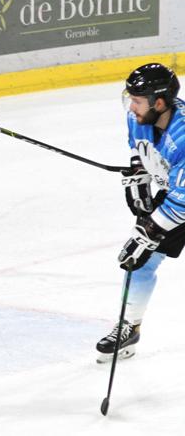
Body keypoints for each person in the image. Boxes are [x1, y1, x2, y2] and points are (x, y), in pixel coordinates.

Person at [97, 63, 185, 362]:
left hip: (181, 199)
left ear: (159, 103)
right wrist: (139, 171)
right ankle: (129, 327)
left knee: (143, 244)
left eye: (137, 101)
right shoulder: (141, 116)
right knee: (142, 262)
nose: (131, 107)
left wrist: (148, 231)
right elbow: (139, 146)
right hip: (177, 194)